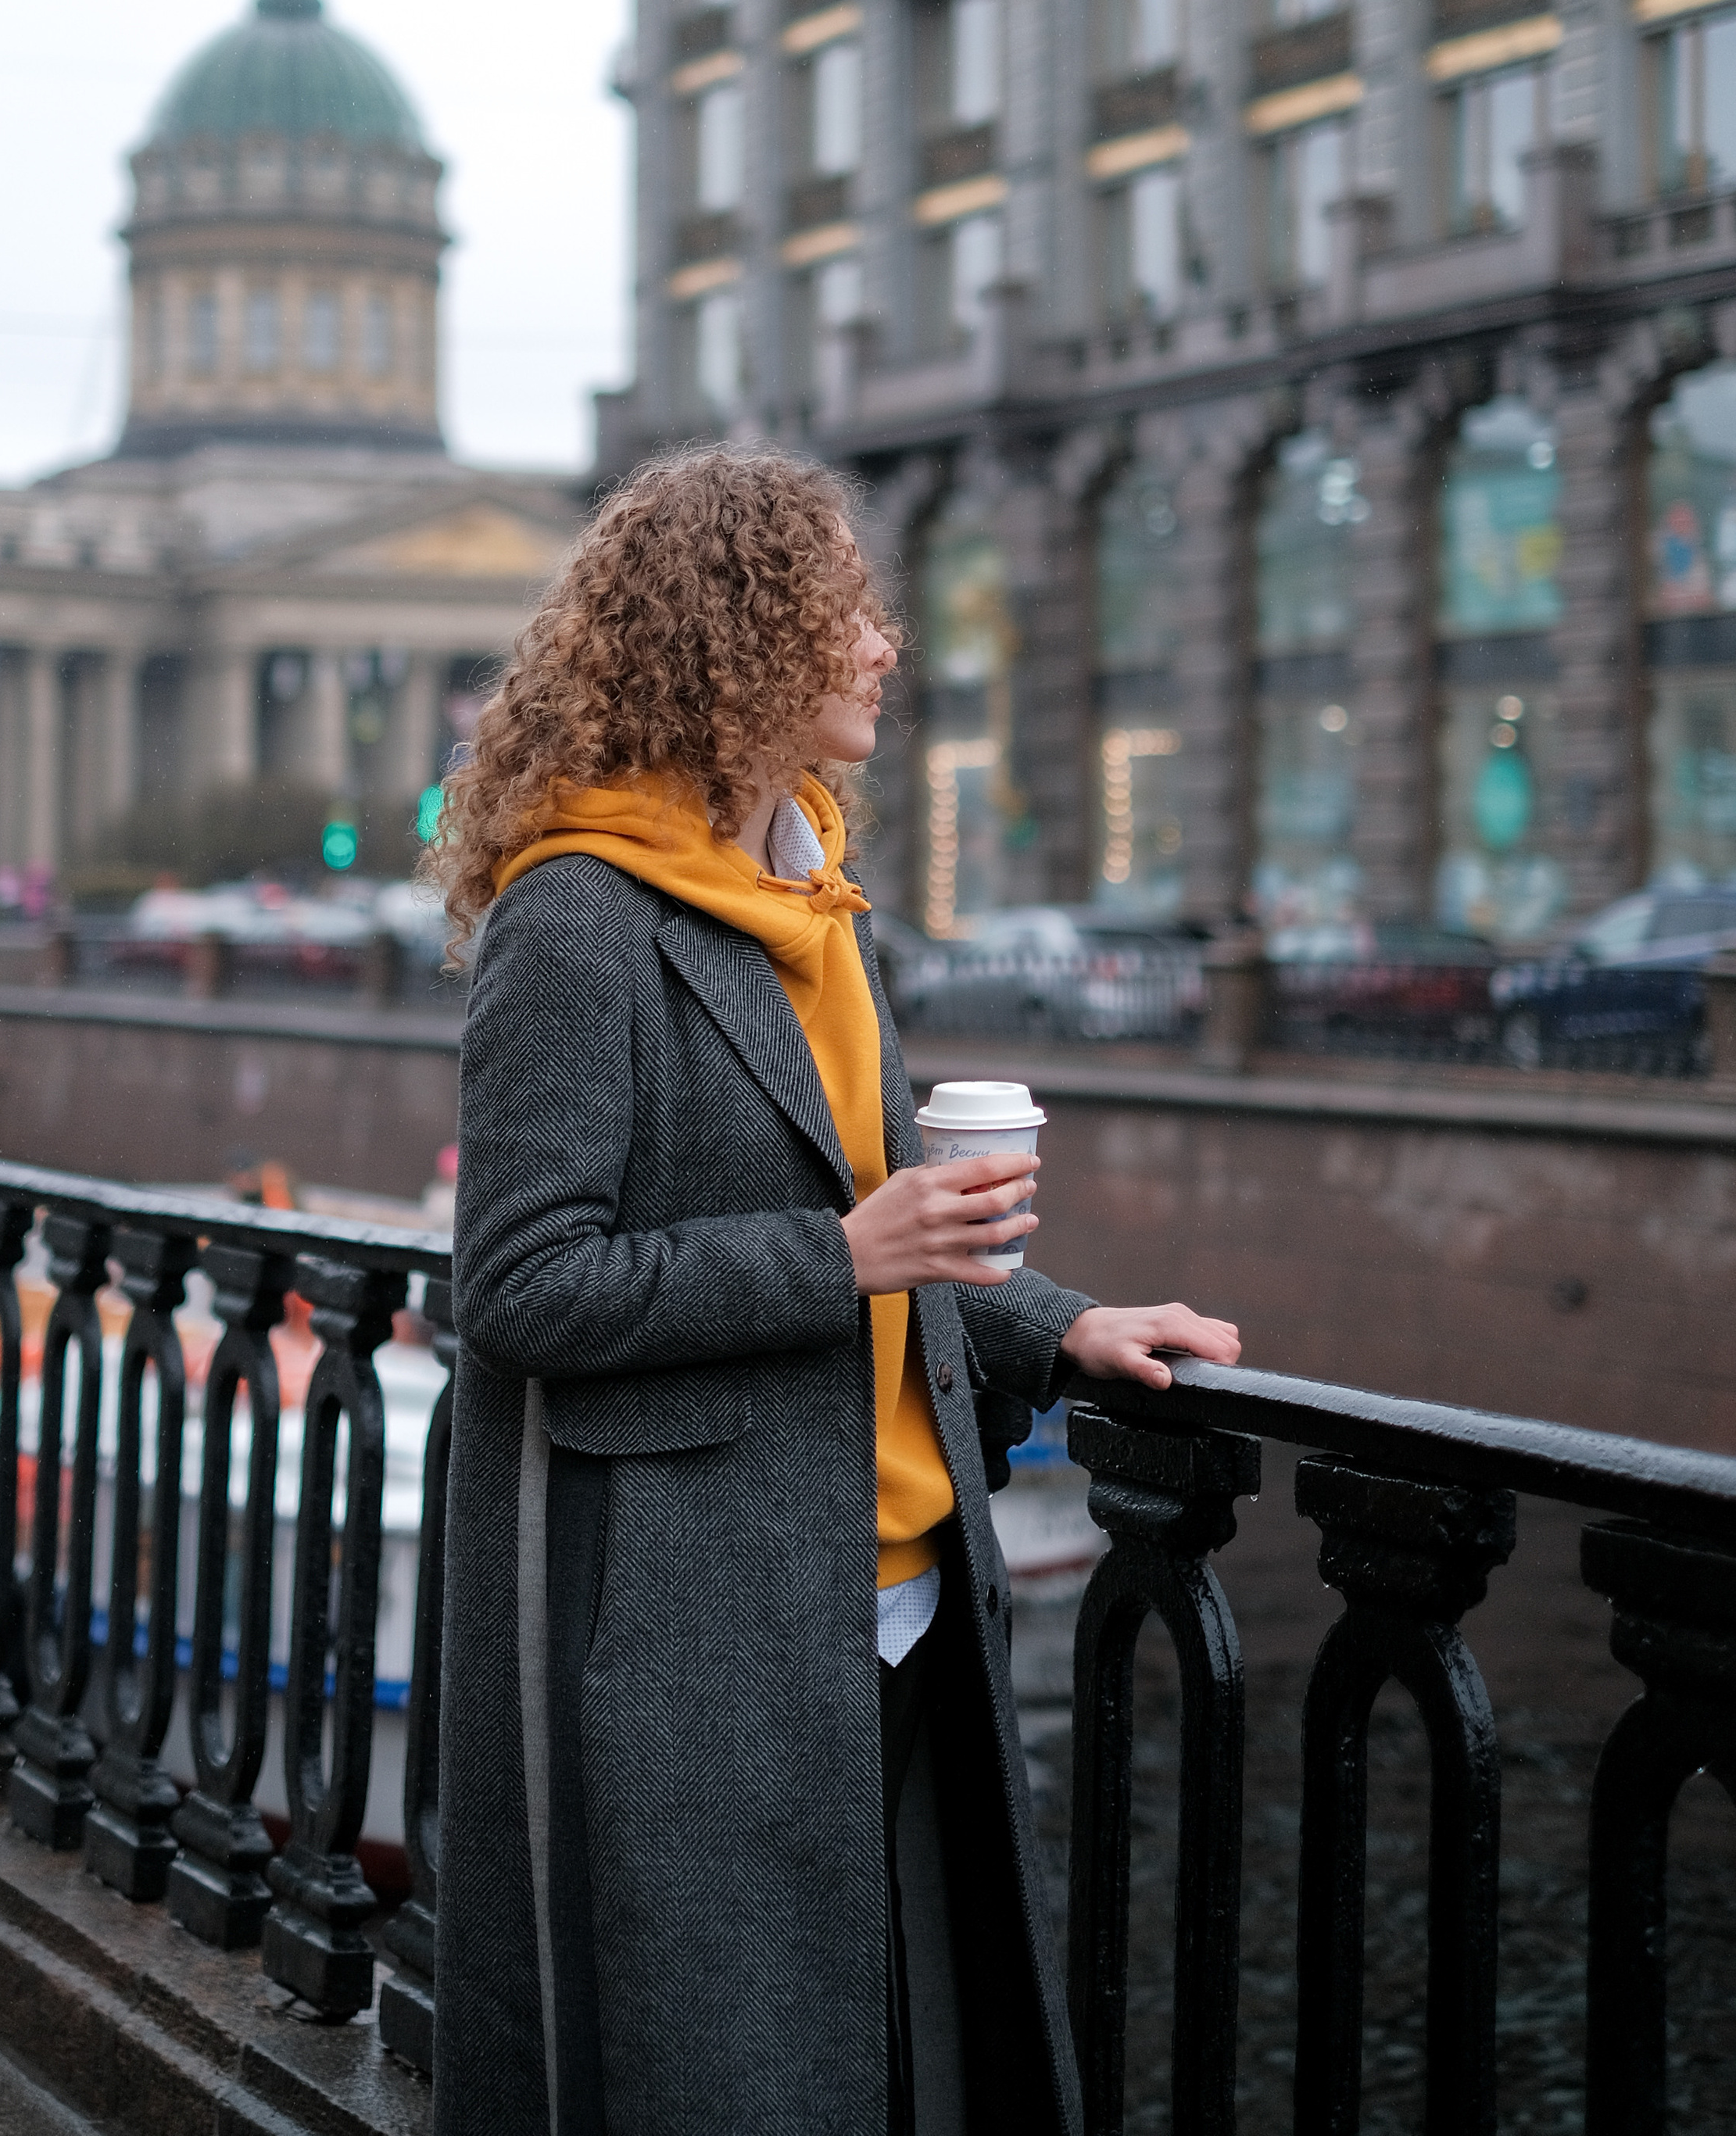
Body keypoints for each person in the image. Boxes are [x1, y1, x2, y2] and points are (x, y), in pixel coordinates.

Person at [427, 449, 1240, 2136]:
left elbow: (893, 1228)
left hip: (898, 1594)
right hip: (693, 1625)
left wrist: (1064, 1324)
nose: (882, 646)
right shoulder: (574, 916)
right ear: (738, 634)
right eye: (846, 611)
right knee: (723, 2080)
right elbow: (518, 1284)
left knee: (894, 2066)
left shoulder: (814, 903)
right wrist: (840, 1257)